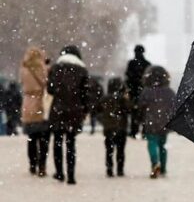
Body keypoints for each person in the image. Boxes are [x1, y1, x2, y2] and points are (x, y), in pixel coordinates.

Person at [47, 45, 89, 185]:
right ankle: (71, 175)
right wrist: (85, 110)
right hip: (74, 110)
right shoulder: (82, 70)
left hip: (58, 109)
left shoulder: (55, 68)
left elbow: (50, 90)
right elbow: (85, 94)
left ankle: (59, 173)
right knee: (71, 143)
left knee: (57, 142)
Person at [138, 65, 174, 179]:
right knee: (163, 146)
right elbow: (174, 107)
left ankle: (155, 163)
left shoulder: (146, 91)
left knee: (152, 143)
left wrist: (140, 119)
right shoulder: (169, 92)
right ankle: (163, 168)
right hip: (165, 122)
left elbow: (141, 107)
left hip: (151, 122)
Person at [19, 47, 50, 176]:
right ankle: (42, 166)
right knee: (44, 139)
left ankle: (32, 164)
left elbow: (22, 82)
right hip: (41, 104)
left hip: (27, 104)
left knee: (31, 138)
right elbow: (46, 83)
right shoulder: (43, 68)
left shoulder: (23, 69)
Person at [96, 77, 130, 177]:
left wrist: (103, 121)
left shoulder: (104, 98)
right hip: (121, 127)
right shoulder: (122, 99)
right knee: (121, 150)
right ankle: (120, 169)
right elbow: (129, 109)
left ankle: (109, 169)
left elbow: (97, 111)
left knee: (109, 150)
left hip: (109, 128)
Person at [125, 45, 150, 138]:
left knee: (134, 112)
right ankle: (144, 132)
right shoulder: (147, 64)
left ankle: (134, 131)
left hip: (134, 91)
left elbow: (127, 77)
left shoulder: (131, 63)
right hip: (143, 91)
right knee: (144, 113)